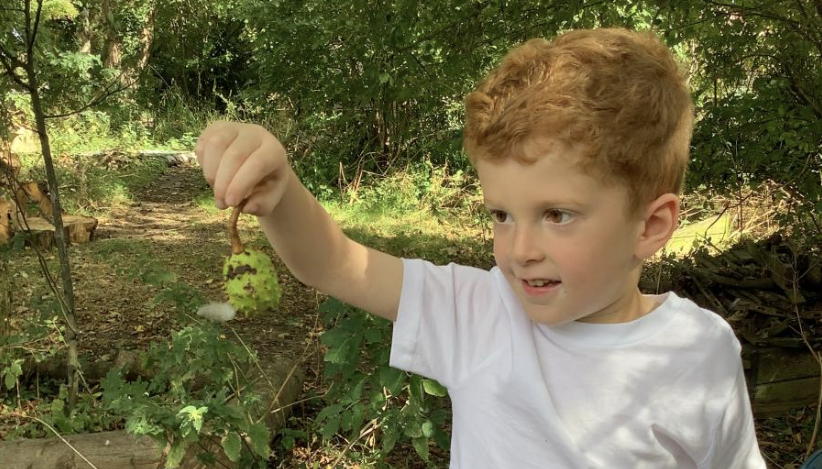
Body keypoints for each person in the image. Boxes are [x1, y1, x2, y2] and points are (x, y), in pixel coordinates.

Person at [195, 28, 767, 468]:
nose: (519, 250)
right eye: (501, 215)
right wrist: (281, 192)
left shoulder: (699, 354)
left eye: (557, 215)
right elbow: (334, 263)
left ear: (650, 225)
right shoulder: (479, 313)